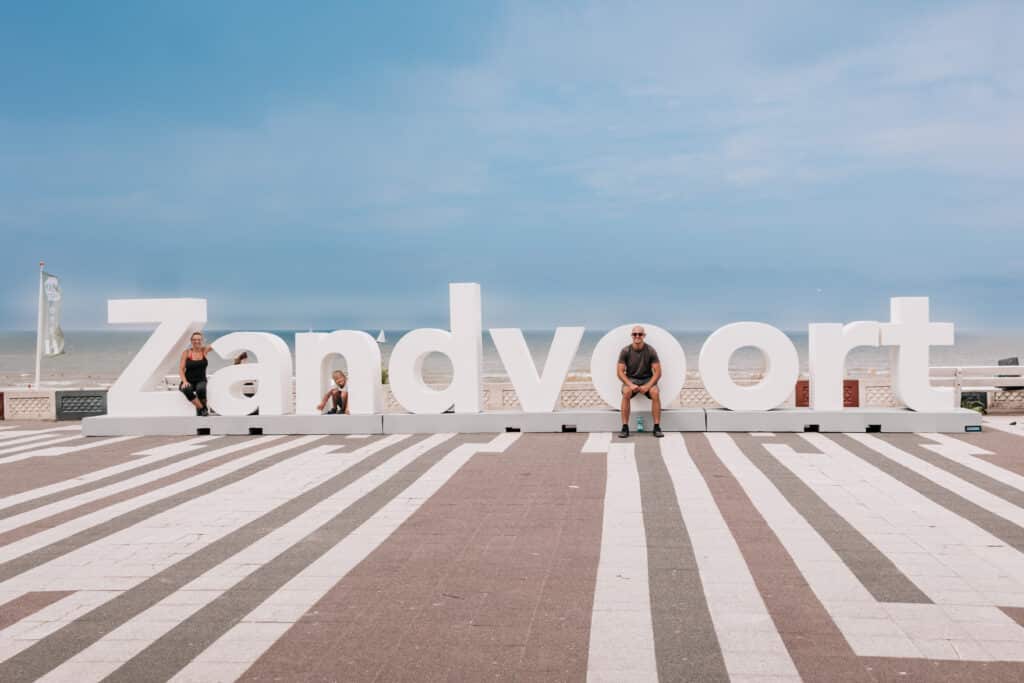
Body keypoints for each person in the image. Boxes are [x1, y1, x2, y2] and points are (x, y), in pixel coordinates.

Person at [617, 325, 663, 438]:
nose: (637, 336)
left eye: (640, 334)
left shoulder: (650, 350)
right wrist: (630, 384)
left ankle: (657, 427)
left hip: (647, 379)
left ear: (644, 336)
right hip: (631, 379)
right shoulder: (625, 351)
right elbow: (620, 372)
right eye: (635, 334)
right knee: (626, 392)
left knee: (655, 392)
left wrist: (648, 386)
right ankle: (625, 427)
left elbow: (658, 372)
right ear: (632, 336)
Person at [179, 331, 213, 416]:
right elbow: (181, 369)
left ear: (202, 340)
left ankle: (203, 408)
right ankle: (202, 408)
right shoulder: (186, 353)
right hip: (188, 380)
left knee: (201, 389)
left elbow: (217, 345)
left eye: (199, 339)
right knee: (186, 389)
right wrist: (184, 382)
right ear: (191, 341)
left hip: (201, 380)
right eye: (194, 339)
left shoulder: (204, 350)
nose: (196, 341)